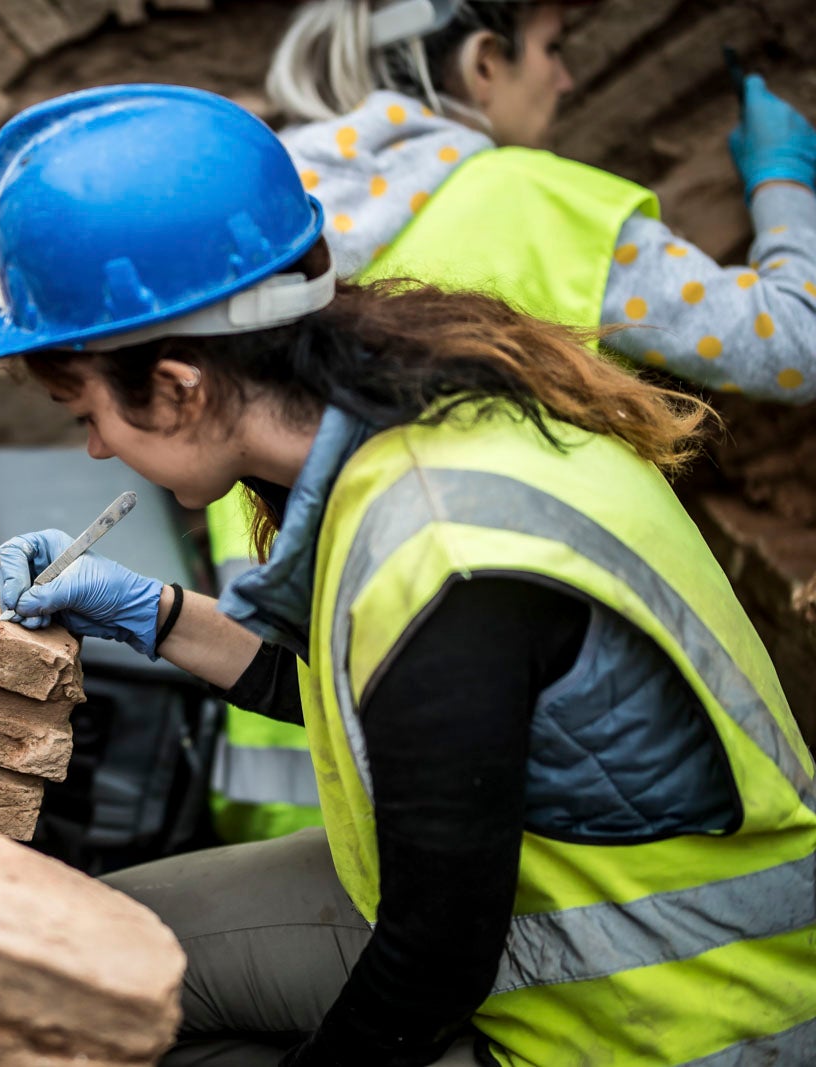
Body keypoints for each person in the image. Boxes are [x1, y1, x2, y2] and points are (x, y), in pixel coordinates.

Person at [0, 83, 816, 1066]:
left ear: (181, 389)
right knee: (71, 958)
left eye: (87, 414)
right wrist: (150, 611)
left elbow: (432, 963)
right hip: (537, 900)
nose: (96, 449)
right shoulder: (430, 410)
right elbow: (374, 698)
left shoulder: (451, 551)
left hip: (665, 1018)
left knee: (115, 1027)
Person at [208, 0, 816, 844]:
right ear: (485, 61)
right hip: (517, 793)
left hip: (287, 750)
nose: (566, 78)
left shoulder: (263, 212)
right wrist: (784, 184)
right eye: (553, 49)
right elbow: (792, 345)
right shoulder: (539, 204)